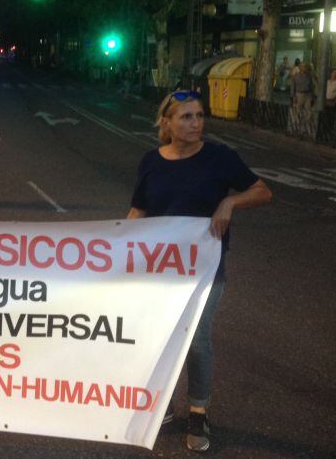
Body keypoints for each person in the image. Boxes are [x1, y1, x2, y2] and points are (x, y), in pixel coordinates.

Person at [127, 90, 271, 453]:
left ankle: (198, 411)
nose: (196, 123)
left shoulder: (219, 158)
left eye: (199, 115)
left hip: (206, 269)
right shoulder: (150, 161)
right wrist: (109, 250)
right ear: (167, 123)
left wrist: (230, 201)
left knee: (196, 337)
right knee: (160, 336)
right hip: (159, 269)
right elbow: (137, 213)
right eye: (187, 117)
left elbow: (263, 192)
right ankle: (162, 406)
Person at [290, 62, 314, 133]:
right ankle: (296, 126)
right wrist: (293, 96)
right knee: (298, 110)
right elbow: (292, 86)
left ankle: (306, 126)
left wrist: (312, 96)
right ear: (299, 68)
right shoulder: (295, 76)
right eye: (302, 66)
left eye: (305, 66)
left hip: (308, 94)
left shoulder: (309, 76)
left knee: (308, 111)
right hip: (299, 94)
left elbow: (311, 86)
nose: (304, 68)